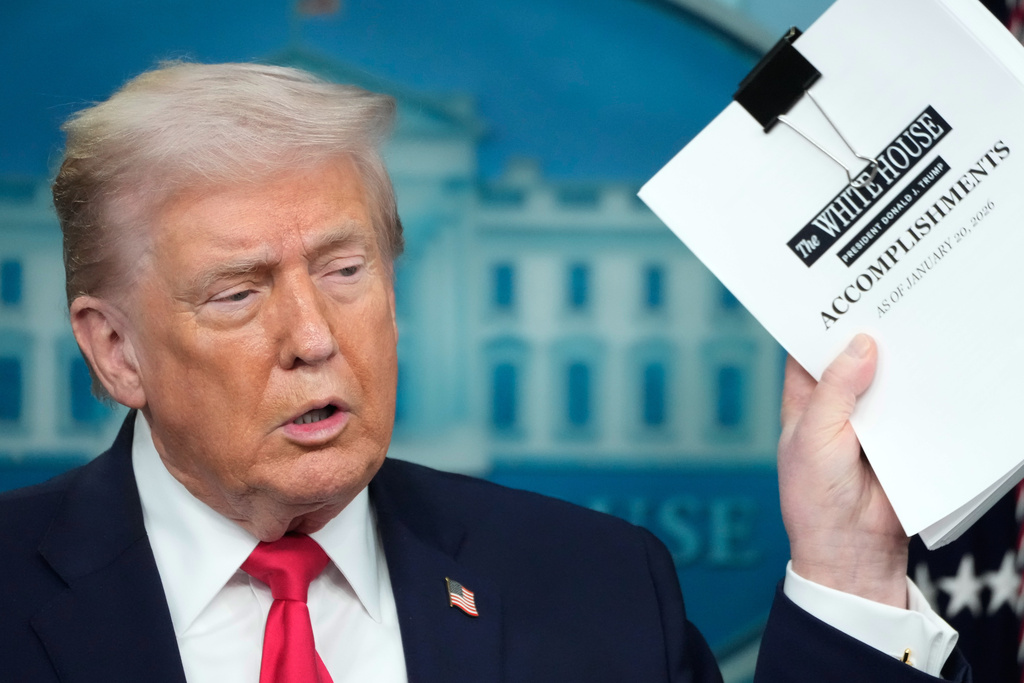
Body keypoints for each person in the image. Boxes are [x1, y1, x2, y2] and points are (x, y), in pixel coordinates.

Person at [0, 62, 968, 682]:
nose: (313, 335)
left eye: (345, 271)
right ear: (116, 350)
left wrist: (850, 566)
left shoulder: (596, 584)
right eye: (238, 292)